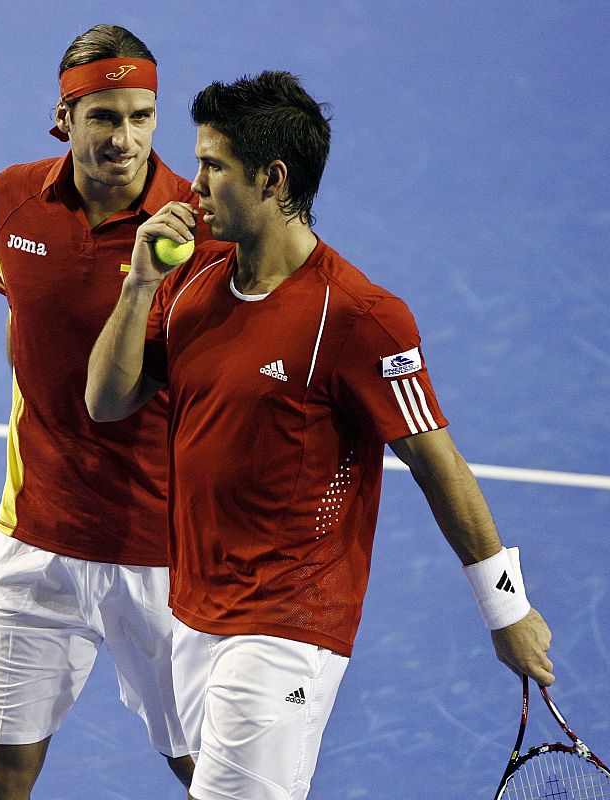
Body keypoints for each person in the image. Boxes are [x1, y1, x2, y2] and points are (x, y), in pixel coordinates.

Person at [86, 70, 554, 800]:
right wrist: (139, 282)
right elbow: (106, 402)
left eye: (213, 166)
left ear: (272, 179)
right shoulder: (190, 283)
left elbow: (437, 463)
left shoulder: (360, 316)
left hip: (286, 628)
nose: (190, 185)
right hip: (192, 612)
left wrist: (506, 609)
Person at [0, 24, 210, 800]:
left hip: (161, 553)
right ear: (64, 117)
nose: (125, 138)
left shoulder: (200, 230)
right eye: (104, 116)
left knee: (211, 772)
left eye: (141, 116)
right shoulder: (12, 199)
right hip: (33, 541)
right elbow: (26, 326)